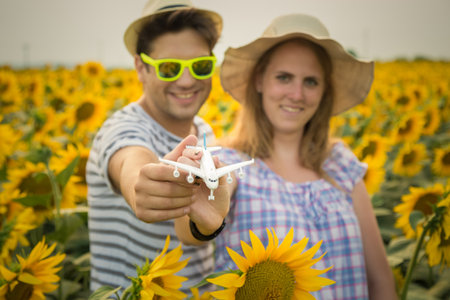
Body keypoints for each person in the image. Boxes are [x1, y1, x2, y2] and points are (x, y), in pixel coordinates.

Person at [179, 13, 397, 299]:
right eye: (284, 77)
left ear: (323, 91)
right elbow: (193, 226)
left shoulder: (341, 163)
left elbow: (380, 281)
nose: (297, 94)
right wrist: (204, 218)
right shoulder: (231, 161)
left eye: (311, 82)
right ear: (260, 81)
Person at [86, 0, 229, 294]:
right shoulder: (122, 127)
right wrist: (143, 185)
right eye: (169, 68)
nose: (187, 80)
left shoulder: (204, 131)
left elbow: (190, 230)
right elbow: (131, 163)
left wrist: (205, 223)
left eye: (200, 66)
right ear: (141, 67)